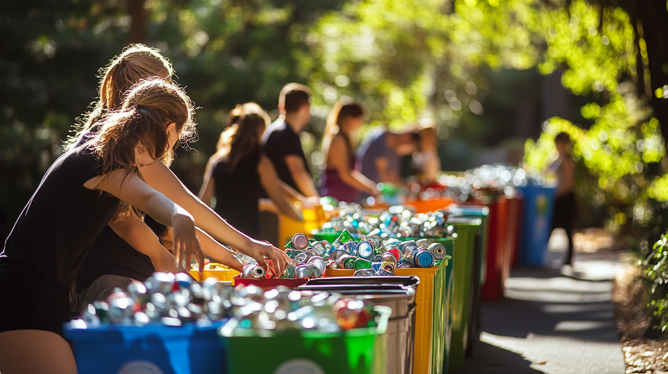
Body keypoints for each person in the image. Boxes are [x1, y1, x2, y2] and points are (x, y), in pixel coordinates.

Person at [0, 78, 204, 374]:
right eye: (176, 140)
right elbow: (148, 198)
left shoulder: (101, 156)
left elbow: (127, 222)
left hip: (46, 294)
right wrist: (179, 216)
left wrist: (166, 260)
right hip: (25, 293)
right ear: (170, 129)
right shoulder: (99, 161)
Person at [68, 45, 288, 296]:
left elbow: (184, 209)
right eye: (167, 87)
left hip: (122, 271)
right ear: (145, 91)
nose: (171, 95)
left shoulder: (117, 140)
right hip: (108, 278)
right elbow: (176, 212)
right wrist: (242, 252)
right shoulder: (108, 147)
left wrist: (242, 254)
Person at [199, 103, 302, 239]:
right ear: (260, 129)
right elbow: (280, 201)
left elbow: (203, 201)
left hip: (220, 236)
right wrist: (301, 218)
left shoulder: (218, 160)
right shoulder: (260, 162)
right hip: (248, 237)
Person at [263, 83, 319, 198]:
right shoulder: (285, 134)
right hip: (281, 206)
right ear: (305, 107)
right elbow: (298, 174)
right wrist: (316, 201)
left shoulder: (275, 130)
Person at [319, 101, 377, 202]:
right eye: (360, 119)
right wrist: (372, 188)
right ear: (350, 118)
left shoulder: (345, 139)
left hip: (346, 198)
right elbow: (345, 174)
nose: (361, 124)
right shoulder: (338, 139)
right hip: (336, 198)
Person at [357, 125, 419, 197]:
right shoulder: (381, 139)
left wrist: (407, 187)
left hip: (374, 194)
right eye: (410, 149)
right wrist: (404, 189)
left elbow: (394, 176)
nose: (408, 152)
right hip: (361, 193)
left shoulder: (395, 150)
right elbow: (383, 175)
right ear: (406, 137)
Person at [547, 132, 577, 265]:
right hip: (557, 198)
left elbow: (568, 183)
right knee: (550, 226)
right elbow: (546, 172)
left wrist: (555, 193)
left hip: (565, 199)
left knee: (567, 229)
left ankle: (569, 258)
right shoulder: (556, 158)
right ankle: (542, 255)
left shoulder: (567, 160)